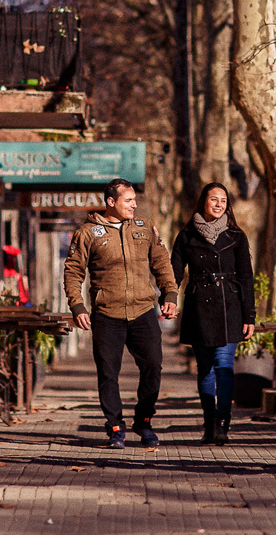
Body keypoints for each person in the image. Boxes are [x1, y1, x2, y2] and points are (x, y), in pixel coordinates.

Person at [64, 178, 178, 449]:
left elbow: (161, 262)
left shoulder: (144, 227)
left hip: (143, 310)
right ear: (111, 202)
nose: (134, 205)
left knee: (153, 366)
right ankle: (115, 427)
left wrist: (170, 294)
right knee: (108, 373)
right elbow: (73, 272)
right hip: (107, 313)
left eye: (135, 200)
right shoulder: (87, 233)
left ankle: (144, 421)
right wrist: (77, 306)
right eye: (128, 200)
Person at [170, 182, 254, 445]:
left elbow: (247, 278)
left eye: (223, 201)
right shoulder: (186, 236)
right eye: (214, 199)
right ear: (203, 202)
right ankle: (209, 424)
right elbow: (173, 272)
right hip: (199, 306)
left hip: (230, 307)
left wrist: (249, 316)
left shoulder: (236, 236)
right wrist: (169, 299)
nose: (219, 204)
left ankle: (222, 425)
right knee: (205, 369)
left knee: (224, 367)